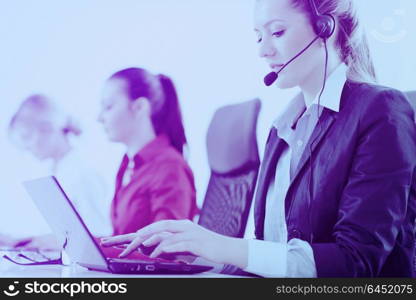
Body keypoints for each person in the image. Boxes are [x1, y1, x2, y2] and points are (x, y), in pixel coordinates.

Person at [101, 0, 416, 277]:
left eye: (277, 32)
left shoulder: (380, 111)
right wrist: (193, 252)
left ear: (325, 28)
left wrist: (219, 245)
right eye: (259, 37)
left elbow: (356, 262)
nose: (263, 50)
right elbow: (274, 253)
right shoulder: (282, 129)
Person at [98, 67, 198, 236]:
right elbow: (121, 239)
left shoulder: (169, 168)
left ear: (139, 107)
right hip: (123, 262)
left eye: (108, 107)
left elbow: (164, 249)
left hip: (143, 263)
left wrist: (93, 246)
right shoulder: (128, 165)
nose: (99, 117)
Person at [7, 94, 111, 248]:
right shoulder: (56, 171)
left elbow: (100, 238)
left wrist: (48, 242)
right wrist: (22, 242)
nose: (26, 147)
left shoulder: (83, 174)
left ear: (47, 129)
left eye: (26, 137)